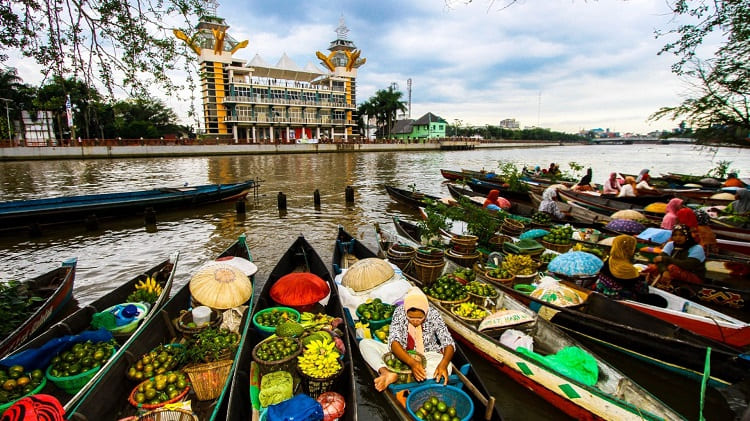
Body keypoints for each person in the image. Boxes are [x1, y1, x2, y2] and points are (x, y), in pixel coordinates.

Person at [359, 287, 455, 392]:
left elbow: (448, 342)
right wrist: (412, 362)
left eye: (420, 318)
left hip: (426, 354)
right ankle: (386, 373)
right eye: (411, 318)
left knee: (448, 366)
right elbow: (394, 342)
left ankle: (412, 378)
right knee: (365, 344)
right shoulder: (399, 312)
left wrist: (443, 364)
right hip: (401, 352)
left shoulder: (434, 315)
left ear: (426, 312)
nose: (415, 322)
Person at [595, 235, 647, 299]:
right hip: (619, 300)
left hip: (602, 294)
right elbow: (638, 289)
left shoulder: (609, 260)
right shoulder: (628, 269)